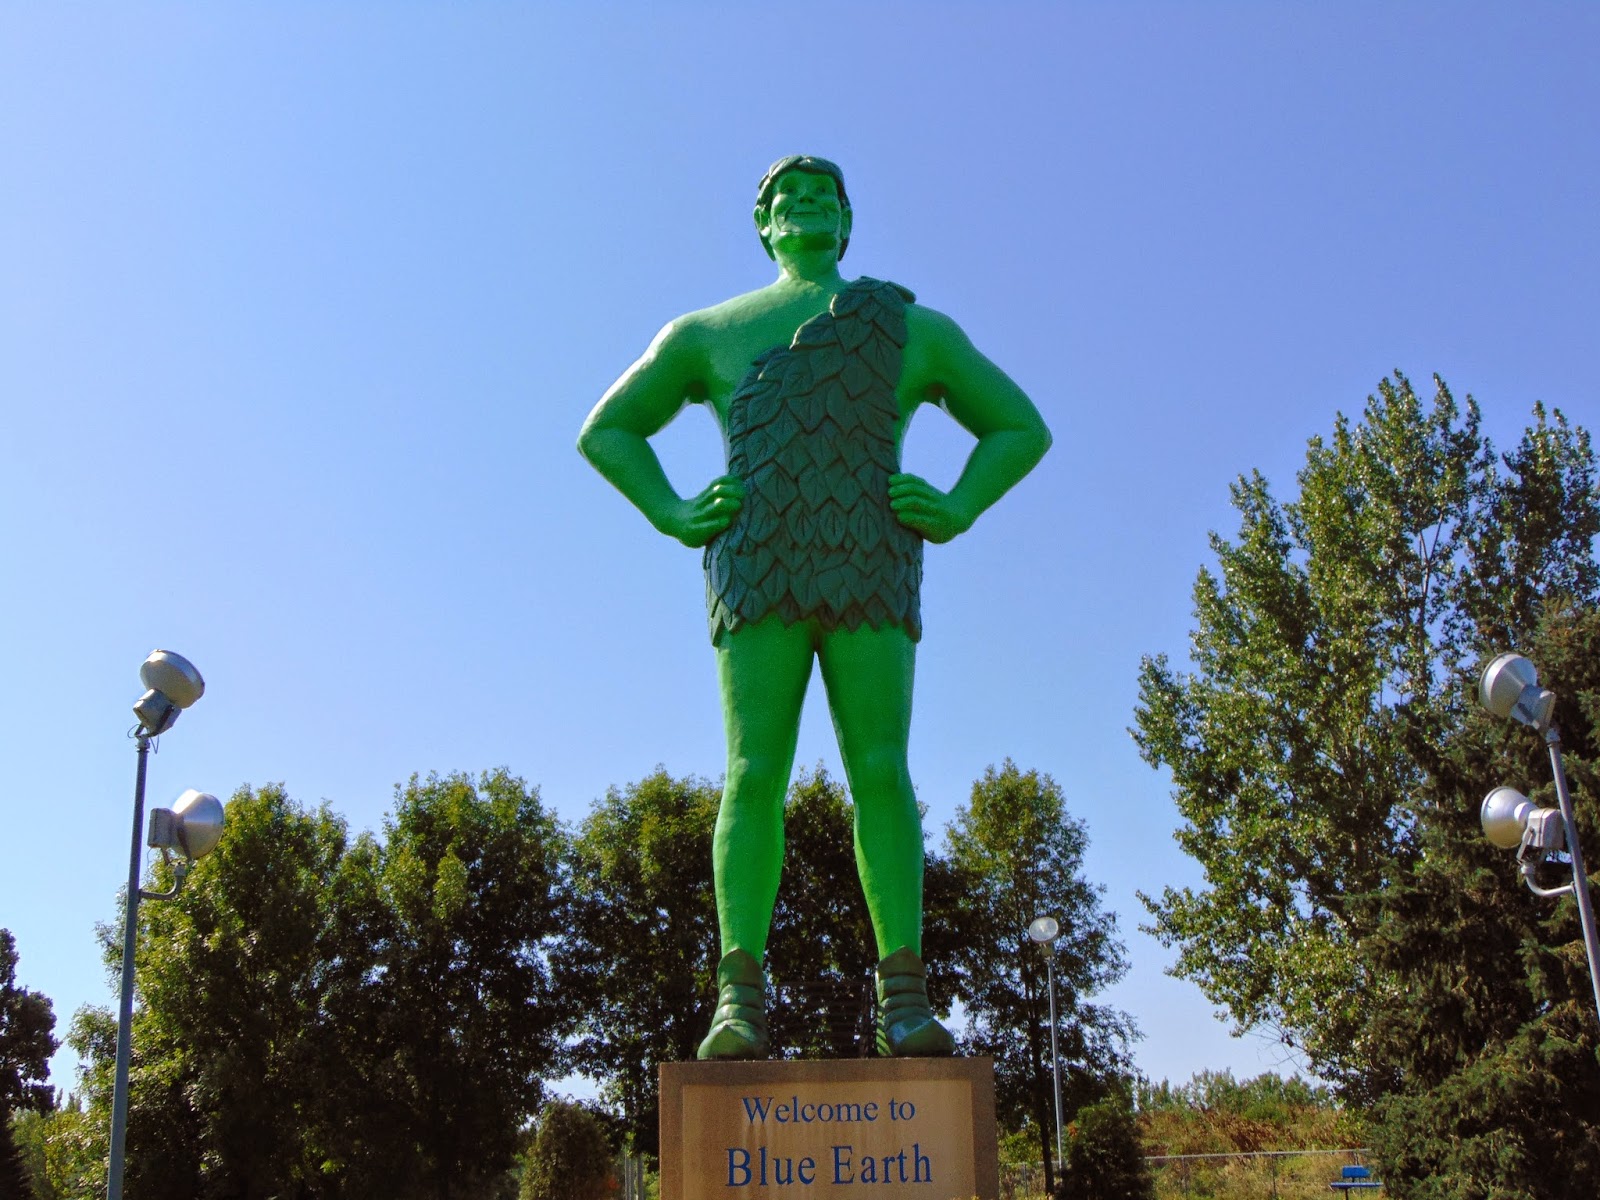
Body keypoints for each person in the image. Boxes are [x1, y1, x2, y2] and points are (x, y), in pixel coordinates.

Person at [578, 155, 1051, 1058]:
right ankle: (737, 1001)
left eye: (822, 197)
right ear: (763, 225)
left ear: (847, 220)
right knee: (753, 771)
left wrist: (957, 505)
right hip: (757, 566)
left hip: (870, 563)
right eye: (786, 200)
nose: (804, 207)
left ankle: (904, 999)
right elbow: (607, 429)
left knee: (882, 769)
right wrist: (672, 510)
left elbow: (1020, 426)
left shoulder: (910, 328)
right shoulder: (705, 333)